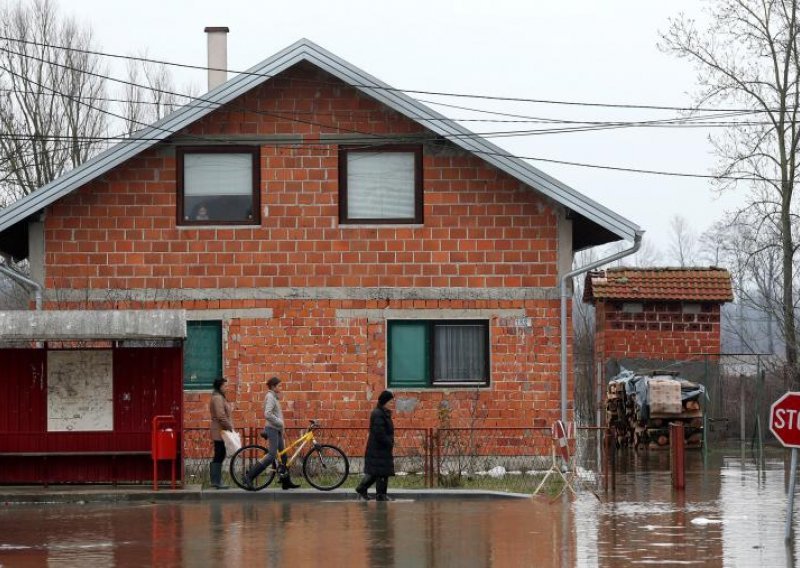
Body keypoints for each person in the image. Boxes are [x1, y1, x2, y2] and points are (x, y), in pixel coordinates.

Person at [244, 376, 300, 490]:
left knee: (283, 456)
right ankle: (249, 476)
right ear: (273, 387)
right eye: (279, 386)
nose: (281, 388)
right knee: (271, 455)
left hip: (277, 430)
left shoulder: (274, 397)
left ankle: (285, 482)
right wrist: (280, 422)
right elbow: (267, 414)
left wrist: (281, 427)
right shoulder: (270, 396)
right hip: (272, 429)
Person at [356, 390, 395, 501]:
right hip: (379, 448)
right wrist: (389, 442)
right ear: (385, 401)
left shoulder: (383, 413)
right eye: (390, 401)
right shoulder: (378, 414)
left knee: (379, 472)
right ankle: (378, 494)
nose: (392, 403)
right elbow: (379, 433)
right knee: (380, 472)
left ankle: (375, 493)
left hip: (380, 448)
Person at [209, 377, 233, 490]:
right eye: (225, 386)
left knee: (219, 454)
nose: (226, 388)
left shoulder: (219, 397)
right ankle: (216, 481)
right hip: (220, 431)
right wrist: (230, 427)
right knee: (219, 454)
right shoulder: (218, 398)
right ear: (220, 386)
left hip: (220, 430)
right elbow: (221, 416)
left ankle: (216, 481)